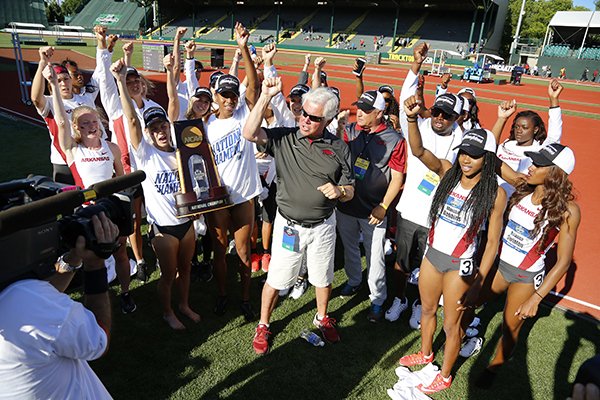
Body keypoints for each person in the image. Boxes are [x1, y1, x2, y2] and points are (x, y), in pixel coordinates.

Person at [398, 95, 506, 394]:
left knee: (452, 325)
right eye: (463, 153)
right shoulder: (447, 171)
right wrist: (410, 118)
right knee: (428, 309)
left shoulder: (495, 194)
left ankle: (445, 374)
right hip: (433, 257)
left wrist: (478, 282)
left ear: (488, 158)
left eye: (474, 154)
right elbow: (418, 150)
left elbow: (493, 242)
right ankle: (426, 354)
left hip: (461, 266)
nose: (466, 159)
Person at [243, 79, 354, 355]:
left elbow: (351, 189)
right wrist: (266, 96)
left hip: (324, 226)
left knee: (322, 277)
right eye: (303, 113)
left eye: (313, 117)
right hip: (289, 226)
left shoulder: (339, 148)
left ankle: (321, 317)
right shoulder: (283, 138)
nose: (304, 120)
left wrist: (340, 190)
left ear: (327, 120)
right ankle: (264, 323)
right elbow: (248, 132)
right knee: (276, 279)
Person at [471, 144, 580, 389]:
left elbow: (563, 263)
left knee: (511, 329)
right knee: (470, 301)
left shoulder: (568, 211)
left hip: (526, 277)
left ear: (555, 172)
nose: (530, 167)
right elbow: (493, 161)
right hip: (501, 267)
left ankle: (495, 366)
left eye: (539, 164)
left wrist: (536, 299)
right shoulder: (522, 185)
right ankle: (466, 335)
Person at [111, 58, 201, 330]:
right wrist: (120, 81)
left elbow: (174, 103)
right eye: (154, 129)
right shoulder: (145, 154)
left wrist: (171, 73)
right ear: (147, 133)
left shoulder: (180, 150)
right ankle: (167, 311)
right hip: (163, 229)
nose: (160, 132)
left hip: (186, 224)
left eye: (163, 127)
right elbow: (131, 120)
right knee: (169, 275)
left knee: (185, 271)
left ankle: (183, 304)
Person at [42, 63, 137, 315]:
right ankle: (91, 302)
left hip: (112, 208)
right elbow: (61, 121)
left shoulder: (112, 148)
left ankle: (126, 293)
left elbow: (121, 177)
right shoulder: (73, 150)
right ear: (77, 129)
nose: (91, 126)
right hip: (85, 211)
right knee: (87, 257)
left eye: (93, 121)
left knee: (120, 254)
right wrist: (52, 85)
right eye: (84, 124)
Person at [386, 42, 464, 327]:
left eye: (447, 115)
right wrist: (415, 64)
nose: (440, 118)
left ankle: (420, 304)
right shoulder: (418, 130)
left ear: (457, 119)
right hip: (409, 212)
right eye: (438, 112)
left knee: (428, 269)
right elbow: (407, 99)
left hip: (439, 218)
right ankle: (399, 299)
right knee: (401, 264)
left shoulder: (461, 141)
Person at [0, 213, 118, 399]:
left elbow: (39, 299)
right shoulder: (26, 300)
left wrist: (74, 258)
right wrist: (95, 264)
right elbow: (98, 340)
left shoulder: (22, 302)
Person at [204, 22, 261, 321]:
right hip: (218, 198)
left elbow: (253, 86)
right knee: (219, 248)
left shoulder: (244, 114)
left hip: (244, 197)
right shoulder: (205, 126)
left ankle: (245, 297)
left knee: (242, 251)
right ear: (215, 96)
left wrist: (243, 49)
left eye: (232, 94)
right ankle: (224, 294)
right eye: (224, 95)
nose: (230, 99)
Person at [336, 89, 406, 323]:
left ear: (379, 112)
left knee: (375, 257)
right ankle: (354, 281)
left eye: (366, 110)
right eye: (359, 108)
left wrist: (384, 206)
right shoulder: (351, 130)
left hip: (373, 211)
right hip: (346, 204)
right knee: (350, 249)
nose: (360, 113)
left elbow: (397, 179)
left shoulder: (394, 140)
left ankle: (377, 299)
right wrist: (338, 125)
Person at [492, 79, 563, 197]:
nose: (519, 130)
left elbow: (554, 135)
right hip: (491, 198)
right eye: (517, 126)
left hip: (514, 202)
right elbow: (489, 148)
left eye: (524, 127)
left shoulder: (540, 150)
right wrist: (502, 118)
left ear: (535, 130)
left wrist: (553, 99)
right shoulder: (507, 144)